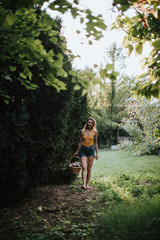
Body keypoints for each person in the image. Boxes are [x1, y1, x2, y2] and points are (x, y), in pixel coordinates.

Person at [74, 117, 98, 189]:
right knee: (84, 167)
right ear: (87, 123)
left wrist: (97, 153)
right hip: (83, 150)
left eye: (91, 122)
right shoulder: (82, 131)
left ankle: (87, 184)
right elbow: (80, 142)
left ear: (93, 124)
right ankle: (84, 184)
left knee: (89, 168)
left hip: (91, 150)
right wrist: (77, 151)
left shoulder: (95, 132)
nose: (90, 123)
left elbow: (96, 143)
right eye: (89, 122)